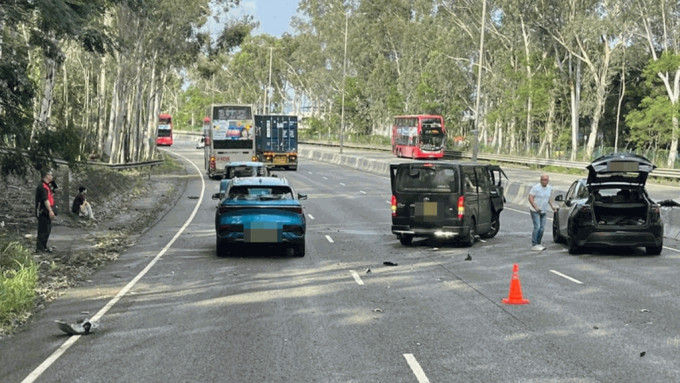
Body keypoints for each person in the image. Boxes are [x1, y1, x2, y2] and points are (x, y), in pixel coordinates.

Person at [528, 174, 556, 251]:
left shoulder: (549, 188)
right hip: (535, 211)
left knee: (542, 228)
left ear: (548, 180)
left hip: (543, 211)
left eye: (546, 180)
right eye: (543, 180)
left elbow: (549, 198)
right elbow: (530, 198)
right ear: (540, 180)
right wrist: (535, 207)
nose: (544, 181)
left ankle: (538, 243)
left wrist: (553, 206)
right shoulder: (536, 187)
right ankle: (534, 244)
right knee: (537, 226)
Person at [35, 169, 56, 252]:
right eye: (50, 174)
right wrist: (50, 210)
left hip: (47, 210)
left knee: (47, 229)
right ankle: (40, 248)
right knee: (43, 230)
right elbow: (45, 199)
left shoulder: (47, 186)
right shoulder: (42, 186)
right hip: (43, 210)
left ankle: (44, 246)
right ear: (46, 175)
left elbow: (50, 197)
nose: (52, 176)